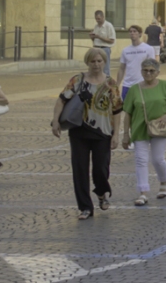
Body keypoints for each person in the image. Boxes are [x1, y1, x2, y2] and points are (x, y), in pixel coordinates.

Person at [52, 48, 123, 220]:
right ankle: (85, 207)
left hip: (103, 131)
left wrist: (116, 134)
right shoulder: (77, 80)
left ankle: (101, 192)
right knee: (80, 170)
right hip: (79, 130)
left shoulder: (111, 84)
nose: (96, 64)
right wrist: (55, 121)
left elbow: (117, 110)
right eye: (93, 61)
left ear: (104, 62)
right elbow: (62, 99)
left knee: (100, 168)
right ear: (87, 62)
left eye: (99, 61)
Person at [122, 58, 166, 204]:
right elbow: (127, 113)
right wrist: (125, 135)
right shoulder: (134, 89)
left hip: (159, 129)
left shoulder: (165, 86)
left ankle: (164, 181)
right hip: (139, 129)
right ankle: (143, 192)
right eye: (145, 70)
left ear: (158, 72)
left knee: (157, 159)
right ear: (141, 71)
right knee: (141, 160)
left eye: (151, 71)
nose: (148, 73)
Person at [90, 9, 117, 73]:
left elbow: (112, 40)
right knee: (96, 67)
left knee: (105, 67)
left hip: (104, 49)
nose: (97, 20)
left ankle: (107, 80)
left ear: (103, 17)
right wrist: (92, 37)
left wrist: (99, 37)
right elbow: (95, 40)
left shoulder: (108, 26)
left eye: (99, 18)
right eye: (96, 19)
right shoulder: (96, 26)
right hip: (96, 48)